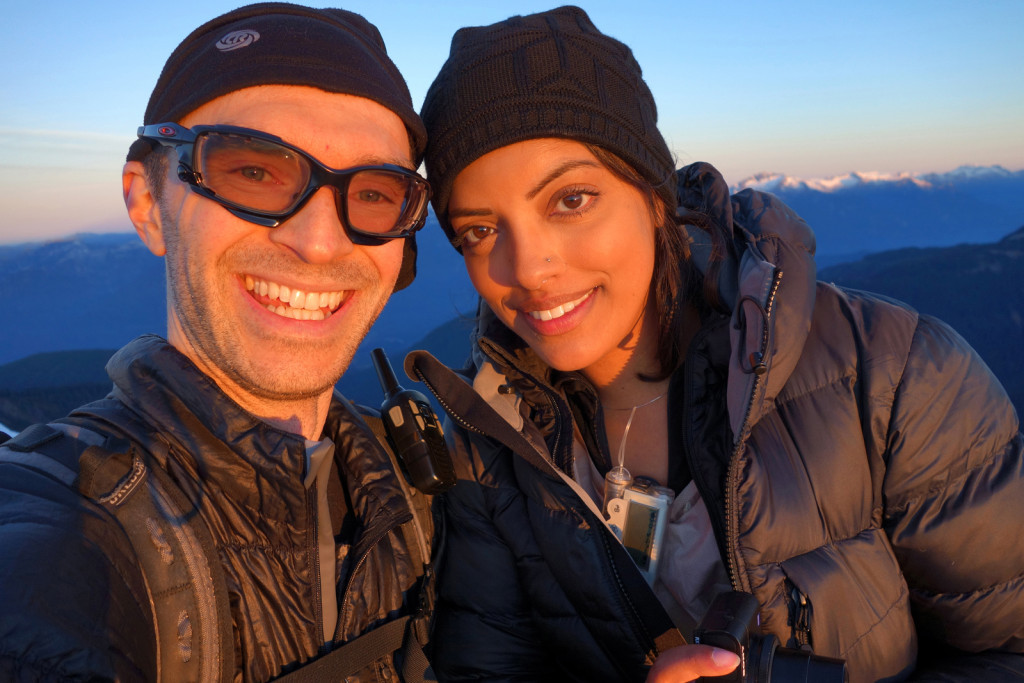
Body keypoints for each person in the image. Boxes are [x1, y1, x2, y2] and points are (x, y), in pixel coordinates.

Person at [405, 6, 1024, 682]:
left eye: (571, 200)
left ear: (652, 193)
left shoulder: (894, 378)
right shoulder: (486, 445)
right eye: (477, 230)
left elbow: (1008, 647)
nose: (525, 267)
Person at [0, 4, 438, 681]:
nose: (319, 241)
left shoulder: (423, 496)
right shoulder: (72, 528)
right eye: (253, 171)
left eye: (377, 192)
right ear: (148, 201)